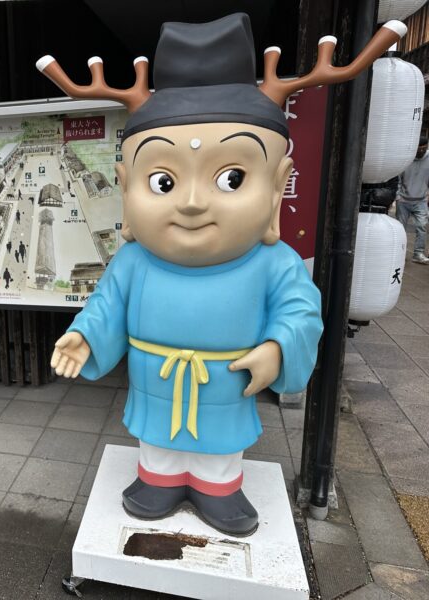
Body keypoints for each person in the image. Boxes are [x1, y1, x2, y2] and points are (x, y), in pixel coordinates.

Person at [41, 12, 393, 535]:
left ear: (277, 186)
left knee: (219, 450)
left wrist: (278, 348)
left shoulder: (273, 263)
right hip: (156, 381)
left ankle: (218, 487)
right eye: (162, 181)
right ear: (126, 186)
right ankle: (158, 480)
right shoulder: (134, 261)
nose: (191, 202)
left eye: (231, 178)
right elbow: (107, 306)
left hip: (227, 382)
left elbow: (300, 312)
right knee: (157, 443)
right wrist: (86, 336)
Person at [396, 137, 429, 264]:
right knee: (401, 228)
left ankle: (418, 253)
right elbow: (398, 178)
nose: (421, 151)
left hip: (421, 200)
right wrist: (397, 196)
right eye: (419, 149)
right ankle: (399, 253)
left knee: (422, 226)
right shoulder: (406, 159)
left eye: (424, 149)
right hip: (403, 200)